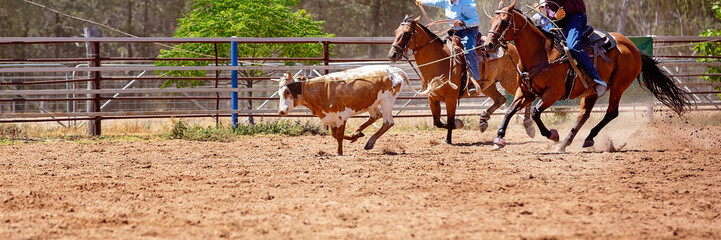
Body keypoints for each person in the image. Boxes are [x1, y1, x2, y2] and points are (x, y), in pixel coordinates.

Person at [415, 0, 481, 95]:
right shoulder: (446, 1)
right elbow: (435, 2)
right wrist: (422, 2)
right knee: (441, 47)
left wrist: (463, 22)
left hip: (468, 31)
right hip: (454, 31)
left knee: (469, 51)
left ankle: (474, 81)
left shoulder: (466, 3)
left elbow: (475, 21)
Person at [546, 0, 607, 96]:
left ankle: (597, 79)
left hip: (575, 17)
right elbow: (547, 6)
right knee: (542, 42)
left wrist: (562, 11)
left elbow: (572, 5)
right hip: (557, 20)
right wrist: (554, 15)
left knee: (573, 47)